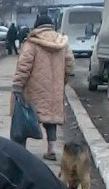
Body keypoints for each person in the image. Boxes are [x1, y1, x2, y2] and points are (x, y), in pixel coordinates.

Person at [12, 13, 75, 160]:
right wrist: (63, 80)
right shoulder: (63, 42)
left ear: (37, 25)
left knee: (26, 117)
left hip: (34, 89)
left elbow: (24, 66)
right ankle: (51, 149)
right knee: (50, 119)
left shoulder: (32, 43)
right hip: (55, 89)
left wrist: (17, 85)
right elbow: (70, 65)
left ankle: (22, 150)